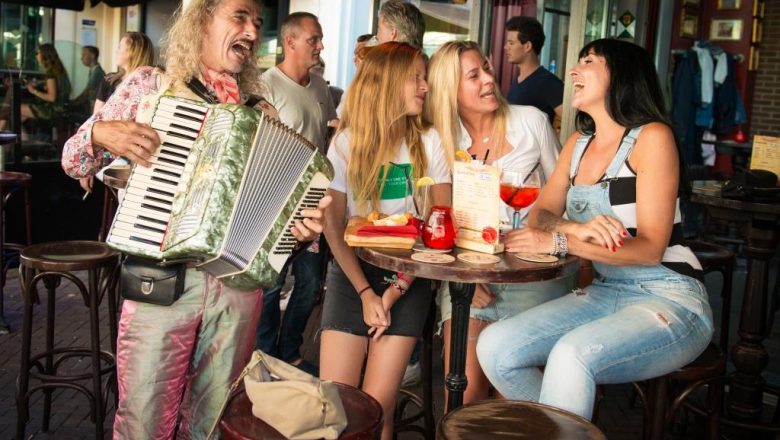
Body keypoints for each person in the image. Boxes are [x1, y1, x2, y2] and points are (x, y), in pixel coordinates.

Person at [61, 1, 329, 438]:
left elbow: (275, 216)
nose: (251, 30)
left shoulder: (260, 110)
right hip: (161, 281)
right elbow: (73, 160)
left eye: (257, 23)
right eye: (239, 16)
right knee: (143, 422)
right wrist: (97, 132)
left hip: (238, 290)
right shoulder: (150, 86)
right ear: (201, 20)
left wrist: (297, 232)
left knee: (214, 420)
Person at [476, 39, 713, 420]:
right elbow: (541, 214)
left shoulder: (652, 138)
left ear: (619, 75)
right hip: (605, 292)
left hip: (668, 295)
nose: (573, 71)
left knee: (571, 355)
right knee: (494, 346)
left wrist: (560, 239)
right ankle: (569, 428)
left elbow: (650, 249)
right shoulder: (578, 144)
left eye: (587, 61)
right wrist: (572, 227)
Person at [425, 40, 573, 405]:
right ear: (450, 90)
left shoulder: (532, 122)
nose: (488, 80)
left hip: (529, 273)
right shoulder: (440, 140)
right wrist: (465, 277)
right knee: (464, 388)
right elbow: (442, 220)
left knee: (511, 390)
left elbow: (563, 200)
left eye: (487, 69)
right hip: (468, 274)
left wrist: (547, 230)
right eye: (474, 76)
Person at [320, 42, 450, 440]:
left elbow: (439, 230)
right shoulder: (345, 143)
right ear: (389, 82)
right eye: (416, 77)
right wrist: (364, 291)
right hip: (352, 275)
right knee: (336, 408)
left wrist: (393, 292)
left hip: (409, 280)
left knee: (377, 410)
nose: (425, 86)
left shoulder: (430, 142)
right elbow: (333, 224)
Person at [257, 12, 337, 376]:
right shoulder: (265, 85)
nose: (320, 47)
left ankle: (288, 352)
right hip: (273, 205)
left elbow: (327, 134)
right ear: (290, 43)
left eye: (319, 40)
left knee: (308, 284)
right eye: (313, 39)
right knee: (271, 286)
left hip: (312, 204)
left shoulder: (320, 87)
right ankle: (265, 357)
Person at [79, 32, 154, 195]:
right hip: (112, 151)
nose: (116, 51)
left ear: (132, 52)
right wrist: (88, 164)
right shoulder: (109, 81)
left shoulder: (151, 84)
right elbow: (96, 123)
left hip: (141, 153)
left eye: (120, 47)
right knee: (127, 187)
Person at [0, 44, 71, 135]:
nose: (36, 56)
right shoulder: (58, 72)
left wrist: (34, 91)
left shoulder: (50, 74)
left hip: (52, 111)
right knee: (14, 120)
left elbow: (52, 97)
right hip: (61, 109)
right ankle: (23, 145)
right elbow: (50, 87)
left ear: (45, 55)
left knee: (10, 110)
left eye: (38, 53)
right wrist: (35, 85)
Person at [504, 16, 563, 125]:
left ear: (527, 46)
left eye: (511, 43)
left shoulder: (548, 83)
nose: (506, 47)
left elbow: (572, 121)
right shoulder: (518, 80)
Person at [73, 45, 107, 114]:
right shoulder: (93, 70)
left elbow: (87, 91)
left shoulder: (97, 72)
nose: (81, 58)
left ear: (92, 56)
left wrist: (74, 101)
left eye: (84, 55)